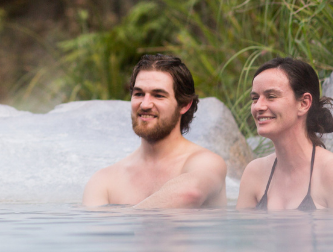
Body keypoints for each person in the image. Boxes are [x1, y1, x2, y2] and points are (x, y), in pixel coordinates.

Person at [83, 54, 227, 208]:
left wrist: (126, 221)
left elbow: (190, 193)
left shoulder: (207, 162)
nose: (145, 104)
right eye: (138, 94)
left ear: (184, 105)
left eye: (158, 95)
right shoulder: (105, 182)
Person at [236, 57, 333, 210]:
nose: (258, 106)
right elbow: (245, 232)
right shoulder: (255, 173)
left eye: (271, 96)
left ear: (303, 104)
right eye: (255, 98)